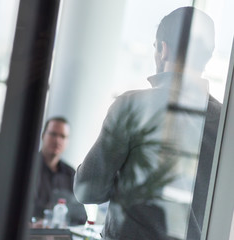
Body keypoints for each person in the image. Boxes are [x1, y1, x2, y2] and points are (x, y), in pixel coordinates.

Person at [74, 7, 221, 240]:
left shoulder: (133, 105)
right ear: (208, 55)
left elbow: (88, 189)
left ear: (163, 49)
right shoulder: (224, 122)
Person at [33, 117, 87, 226]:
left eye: (62, 136)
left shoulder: (71, 174)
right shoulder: (29, 167)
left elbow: (81, 217)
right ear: (43, 136)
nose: (57, 140)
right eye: (53, 134)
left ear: (67, 141)